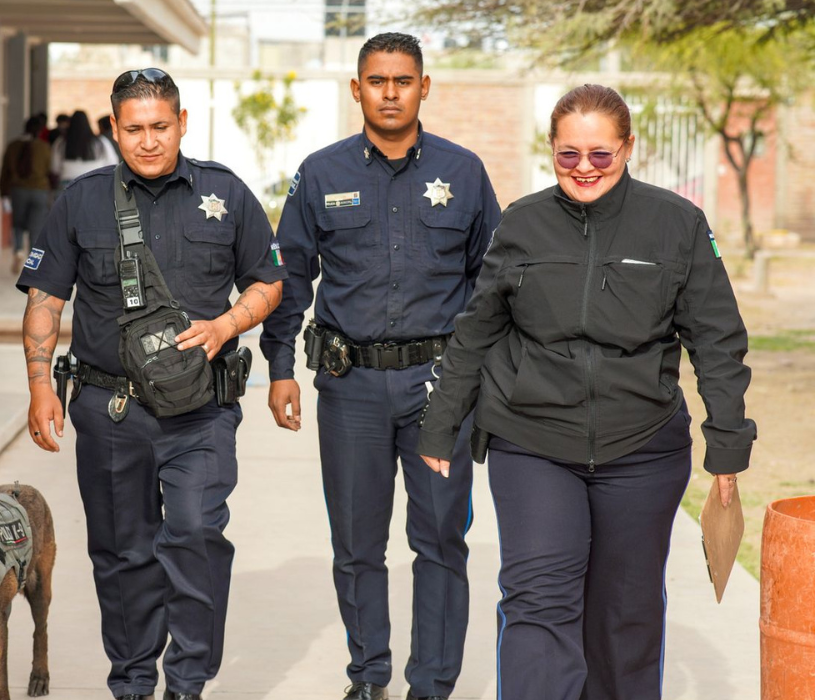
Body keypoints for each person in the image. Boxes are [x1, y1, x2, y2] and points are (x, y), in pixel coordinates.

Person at [417, 84, 755, 700]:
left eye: (601, 154)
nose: (584, 168)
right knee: (538, 599)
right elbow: (475, 330)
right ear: (551, 149)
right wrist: (441, 424)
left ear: (628, 148)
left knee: (624, 614)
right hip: (533, 442)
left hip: (642, 447)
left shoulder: (676, 224)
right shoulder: (522, 222)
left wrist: (728, 447)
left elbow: (717, 341)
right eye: (569, 154)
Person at [17, 68, 286, 700]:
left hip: (202, 409)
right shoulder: (81, 200)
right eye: (133, 129)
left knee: (194, 534)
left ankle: (187, 682)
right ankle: (133, 682)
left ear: (183, 122)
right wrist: (38, 385)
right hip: (111, 410)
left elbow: (269, 280)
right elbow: (45, 299)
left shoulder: (226, 193)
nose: (147, 141)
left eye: (160, 127)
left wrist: (226, 325)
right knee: (122, 553)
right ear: (113, 128)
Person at [260, 32, 501, 700]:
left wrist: (480, 382)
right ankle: (368, 679)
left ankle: (432, 685)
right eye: (376, 80)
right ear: (356, 89)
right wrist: (280, 365)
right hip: (351, 390)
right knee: (358, 546)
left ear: (424, 87)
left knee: (440, 542)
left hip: (439, 393)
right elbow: (291, 276)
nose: (389, 92)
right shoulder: (321, 174)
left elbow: (494, 283)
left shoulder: (465, 173)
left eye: (402, 80)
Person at [0, 114, 52, 270]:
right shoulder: (44, 147)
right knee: (36, 229)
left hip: (18, 190)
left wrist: (3, 192)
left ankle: (18, 251)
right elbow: (50, 170)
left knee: (18, 225)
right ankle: (33, 264)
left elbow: (4, 172)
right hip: (39, 191)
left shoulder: (12, 146)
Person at [50, 109, 119, 192]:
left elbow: (54, 168)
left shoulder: (61, 142)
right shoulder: (100, 142)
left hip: (68, 184)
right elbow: (112, 163)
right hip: (94, 183)